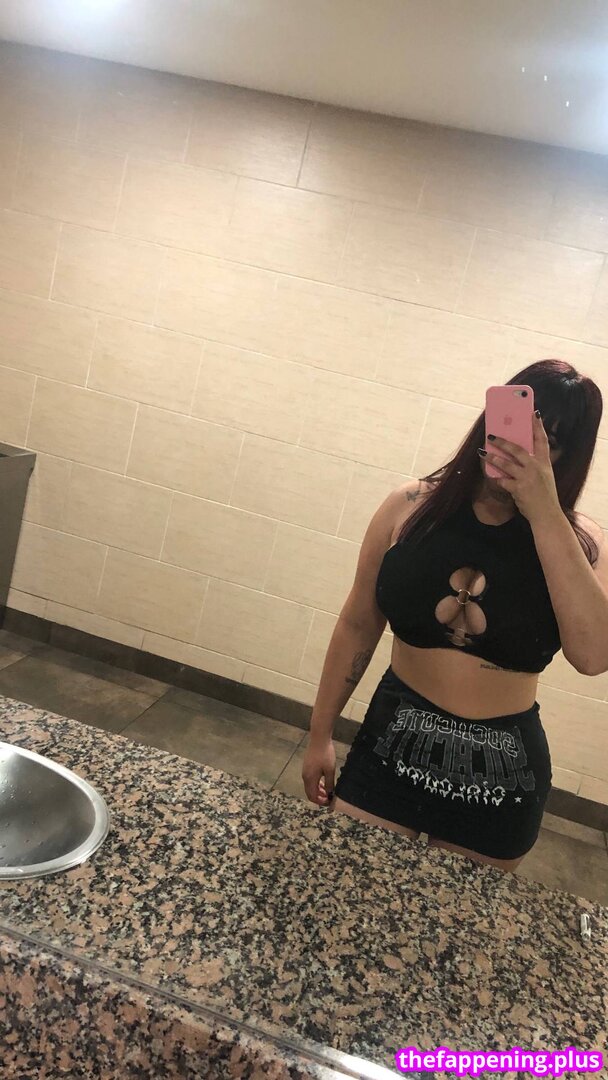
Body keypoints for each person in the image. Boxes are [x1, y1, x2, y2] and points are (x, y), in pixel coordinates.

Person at [302, 359, 606, 873]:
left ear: (568, 458)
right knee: (346, 892)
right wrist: (319, 735)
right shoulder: (409, 506)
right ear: (491, 419)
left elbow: (594, 656)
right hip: (392, 740)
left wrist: (544, 512)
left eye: (548, 442)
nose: (520, 450)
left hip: (502, 773)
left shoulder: (581, 543)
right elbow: (358, 622)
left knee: (456, 922)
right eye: (516, 427)